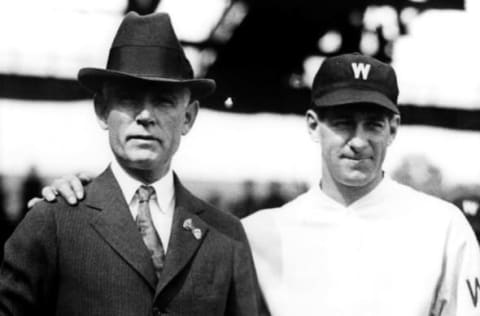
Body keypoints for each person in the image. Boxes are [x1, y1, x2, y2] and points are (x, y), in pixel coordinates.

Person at [37, 53, 480, 315]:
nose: (358, 142)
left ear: (395, 128)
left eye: (374, 125)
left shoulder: (443, 227)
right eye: (343, 123)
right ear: (313, 125)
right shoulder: (253, 234)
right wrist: (82, 199)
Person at [0, 12, 264, 316]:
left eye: (164, 101)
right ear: (101, 110)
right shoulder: (53, 221)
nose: (145, 116)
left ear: (188, 117)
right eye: (128, 99)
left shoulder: (226, 236)